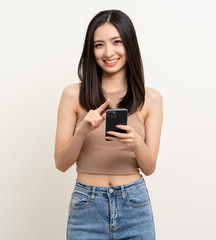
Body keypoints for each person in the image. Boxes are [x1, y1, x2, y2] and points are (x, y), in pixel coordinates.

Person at [54, 9, 163, 240]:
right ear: (91, 50)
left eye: (117, 42)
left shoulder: (150, 99)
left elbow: (150, 167)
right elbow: (61, 163)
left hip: (134, 206)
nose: (109, 52)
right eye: (99, 45)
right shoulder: (73, 95)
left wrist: (136, 143)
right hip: (86, 207)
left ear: (129, 45)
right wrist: (82, 130)